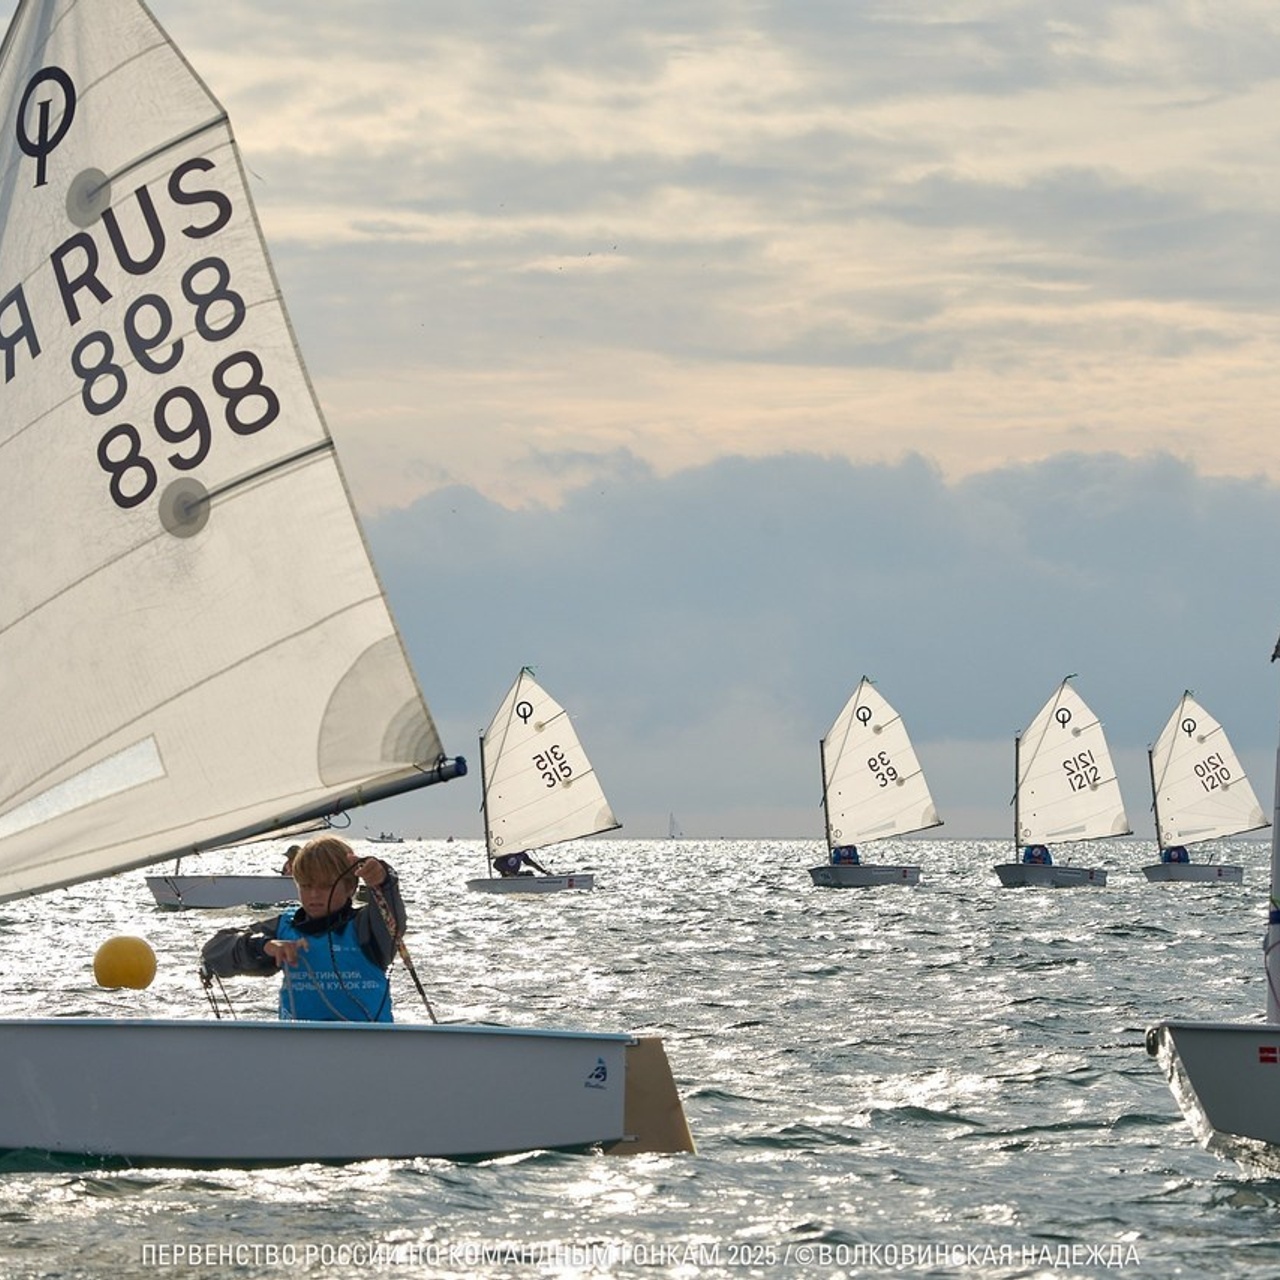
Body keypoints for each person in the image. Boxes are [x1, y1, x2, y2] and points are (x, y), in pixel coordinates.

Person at [201, 836, 405, 1022]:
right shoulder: (283, 927)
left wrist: (382, 881)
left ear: (350, 888)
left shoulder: (368, 928)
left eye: (326, 886)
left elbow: (392, 916)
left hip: (369, 1046)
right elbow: (213, 952)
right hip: (297, 1046)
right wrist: (262, 946)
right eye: (306, 886)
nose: (314, 894)